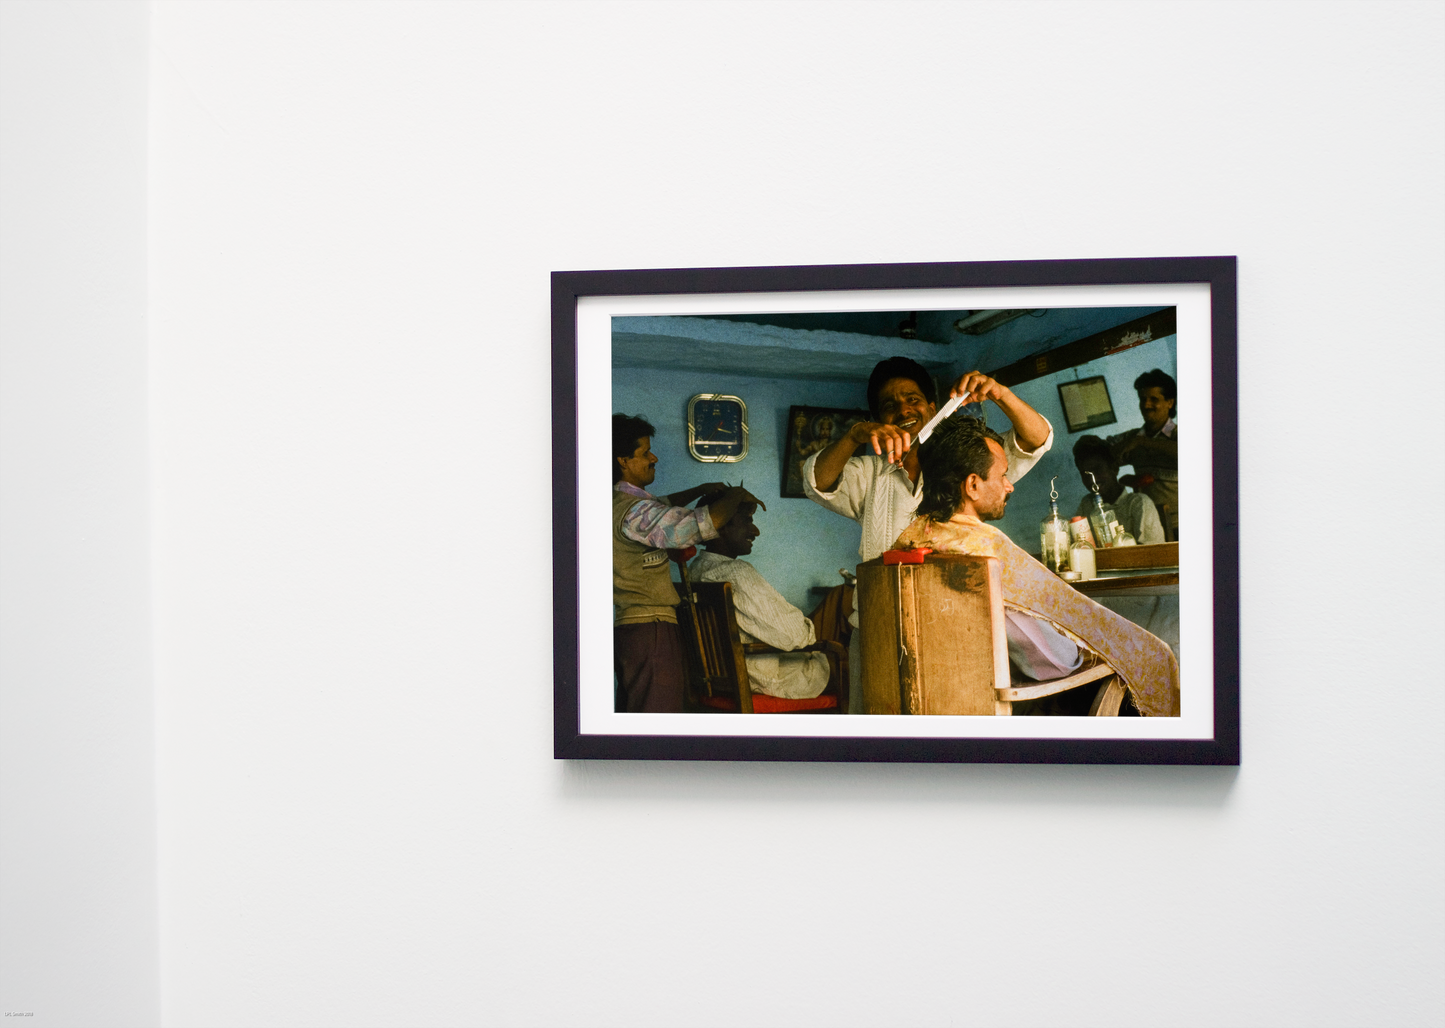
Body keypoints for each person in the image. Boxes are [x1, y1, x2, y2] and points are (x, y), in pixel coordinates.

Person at [801, 356, 1054, 711]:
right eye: (889, 406)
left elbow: (1036, 439)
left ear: (933, 408)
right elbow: (816, 482)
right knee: (880, 740)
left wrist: (999, 393)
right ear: (878, 420)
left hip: (954, 632)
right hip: (878, 630)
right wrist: (854, 435)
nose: (903, 409)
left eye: (912, 399)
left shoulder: (970, 461)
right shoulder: (870, 474)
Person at [894, 415, 1179, 717]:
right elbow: (1055, 661)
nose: (1009, 486)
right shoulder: (985, 551)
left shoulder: (918, 538)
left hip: (946, 683)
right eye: (1002, 476)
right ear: (973, 485)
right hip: (1016, 684)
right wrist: (1088, 657)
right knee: (1151, 657)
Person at [612, 414, 761, 713]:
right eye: (644, 453)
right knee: (655, 723)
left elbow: (659, 506)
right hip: (651, 629)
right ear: (623, 461)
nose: (653, 457)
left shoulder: (616, 503)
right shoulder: (634, 512)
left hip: (634, 630)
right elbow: (688, 529)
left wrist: (698, 490)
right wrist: (735, 496)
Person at [688, 497, 831, 700]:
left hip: (718, 680)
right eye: (746, 521)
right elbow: (793, 636)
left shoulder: (695, 569)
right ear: (720, 528)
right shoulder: (737, 573)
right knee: (844, 654)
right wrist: (809, 632)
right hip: (763, 681)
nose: (755, 531)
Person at [1106, 368, 1178, 539]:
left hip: (1183, 525)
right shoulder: (1132, 438)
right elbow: (1103, 452)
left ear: (1170, 402)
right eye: (1142, 399)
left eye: (1154, 399)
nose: (1146, 405)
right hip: (1149, 526)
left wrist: (1142, 442)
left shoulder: (1178, 435)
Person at [1072, 434, 1166, 545]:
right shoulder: (1087, 504)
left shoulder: (1138, 504)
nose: (1093, 479)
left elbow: (1152, 552)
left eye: (1098, 469)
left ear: (1114, 468)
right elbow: (1078, 546)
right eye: (1085, 474)